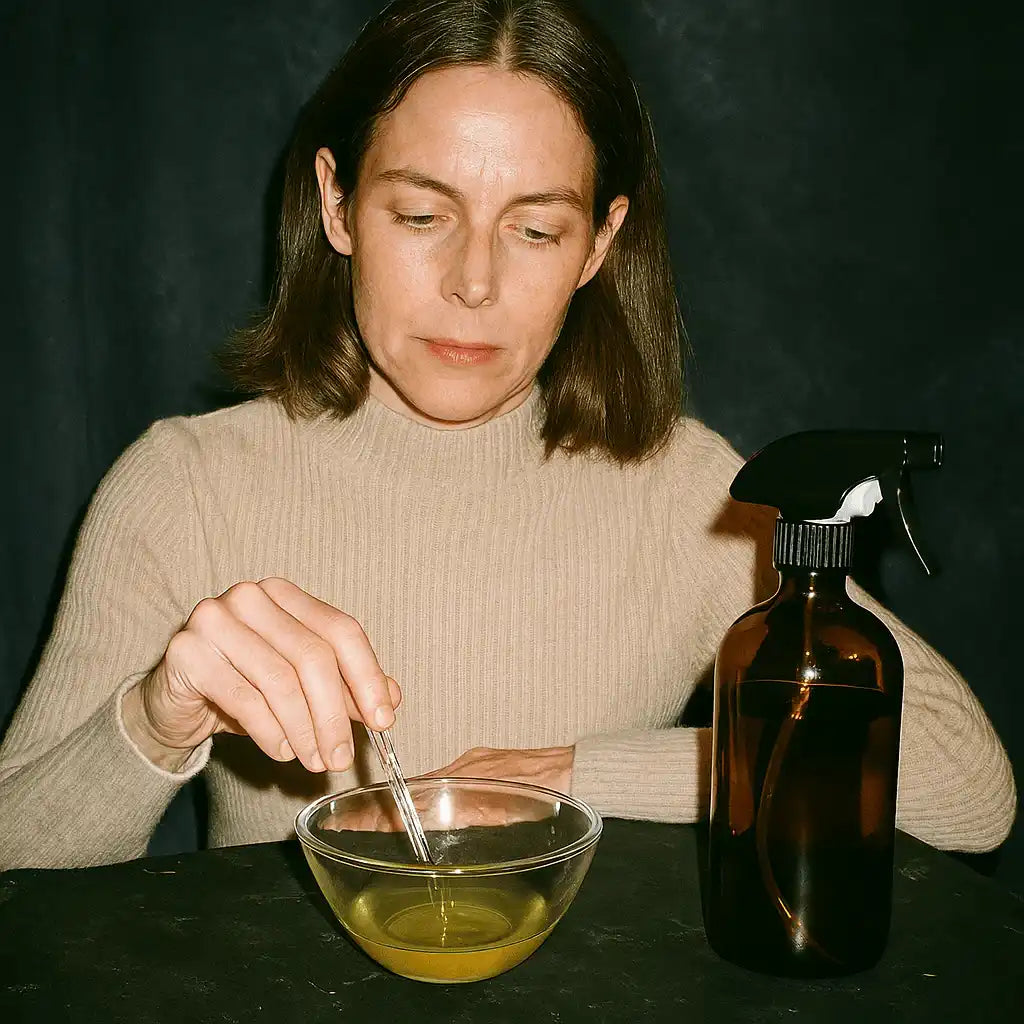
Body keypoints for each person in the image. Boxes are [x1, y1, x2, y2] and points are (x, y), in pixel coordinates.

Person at [0, 0, 1014, 870]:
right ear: (337, 204)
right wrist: (157, 712)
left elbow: (966, 785)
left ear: (599, 246)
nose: (473, 283)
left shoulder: (692, 496)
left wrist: (567, 777)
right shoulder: (185, 484)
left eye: (534, 229)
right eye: (421, 215)